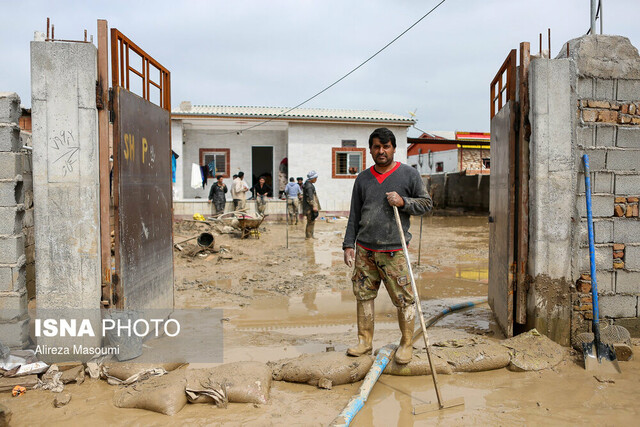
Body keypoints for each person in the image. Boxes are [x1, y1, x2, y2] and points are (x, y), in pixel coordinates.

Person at [342, 127, 432, 365]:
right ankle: (364, 342)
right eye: (376, 147)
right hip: (365, 250)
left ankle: (406, 344)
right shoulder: (363, 178)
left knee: (404, 299)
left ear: (393, 148)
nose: (381, 151)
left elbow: (426, 204)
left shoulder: (408, 174)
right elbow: (354, 214)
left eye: (386, 146)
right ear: (370, 149)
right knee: (363, 295)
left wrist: (403, 202)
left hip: (394, 250)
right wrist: (348, 244)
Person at [302, 170, 320, 239]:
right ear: (312, 178)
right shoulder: (309, 186)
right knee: (310, 222)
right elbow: (310, 198)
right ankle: (308, 236)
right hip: (309, 208)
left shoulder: (308, 184)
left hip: (308, 207)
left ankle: (311, 235)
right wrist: (314, 206)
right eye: (315, 178)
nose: (316, 180)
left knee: (312, 221)